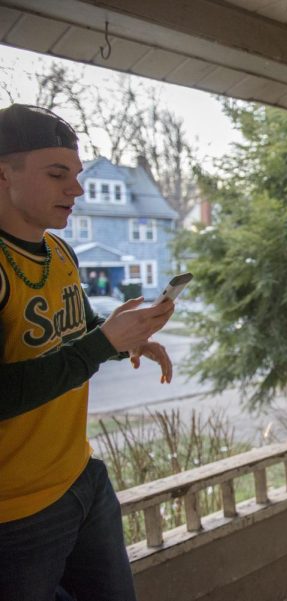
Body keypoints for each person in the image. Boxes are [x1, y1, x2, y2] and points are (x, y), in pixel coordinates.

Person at [0, 104, 176, 600]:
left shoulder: (59, 252)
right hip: (14, 513)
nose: (76, 189)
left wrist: (127, 339)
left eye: (76, 175)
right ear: (3, 173)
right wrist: (102, 345)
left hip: (82, 477)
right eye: (58, 174)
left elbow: (74, 330)